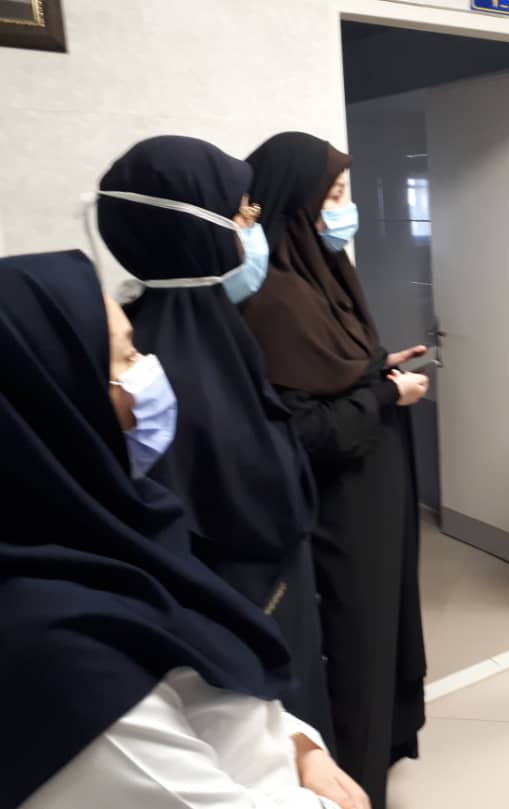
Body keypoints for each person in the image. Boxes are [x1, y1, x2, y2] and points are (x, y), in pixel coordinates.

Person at [0, 250, 368, 809]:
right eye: (126, 356)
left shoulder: (115, 533)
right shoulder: (58, 656)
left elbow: (208, 680)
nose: (151, 371)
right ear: (55, 402)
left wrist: (299, 743)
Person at [92, 136, 334, 746]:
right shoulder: (165, 356)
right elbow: (248, 501)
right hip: (241, 608)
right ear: (190, 225)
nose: (249, 221)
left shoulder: (210, 326)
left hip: (266, 591)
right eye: (237, 209)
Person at [240, 131, 427, 809]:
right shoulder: (272, 298)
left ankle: (380, 753)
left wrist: (376, 367)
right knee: (356, 645)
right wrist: (384, 396)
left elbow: (334, 369)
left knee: (384, 629)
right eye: (335, 194)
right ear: (296, 201)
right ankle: (354, 783)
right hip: (341, 506)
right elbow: (305, 428)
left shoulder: (325, 273)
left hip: (376, 489)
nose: (346, 208)